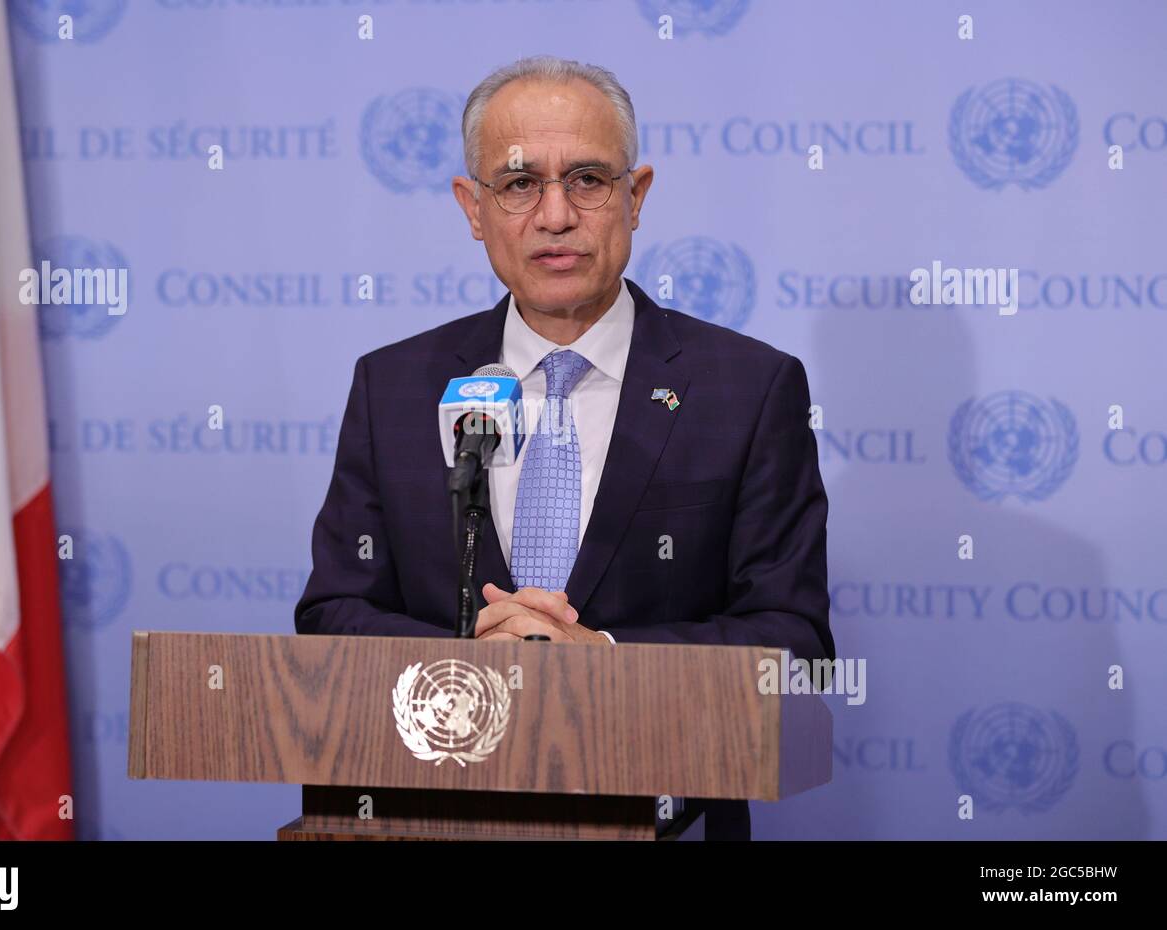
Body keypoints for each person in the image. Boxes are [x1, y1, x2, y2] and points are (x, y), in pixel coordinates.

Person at [295, 55, 836, 840]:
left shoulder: (747, 389)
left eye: (587, 179)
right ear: (473, 207)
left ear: (635, 196)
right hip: (431, 816)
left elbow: (794, 643)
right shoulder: (394, 386)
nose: (554, 215)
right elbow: (333, 615)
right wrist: (476, 656)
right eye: (518, 185)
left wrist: (602, 657)